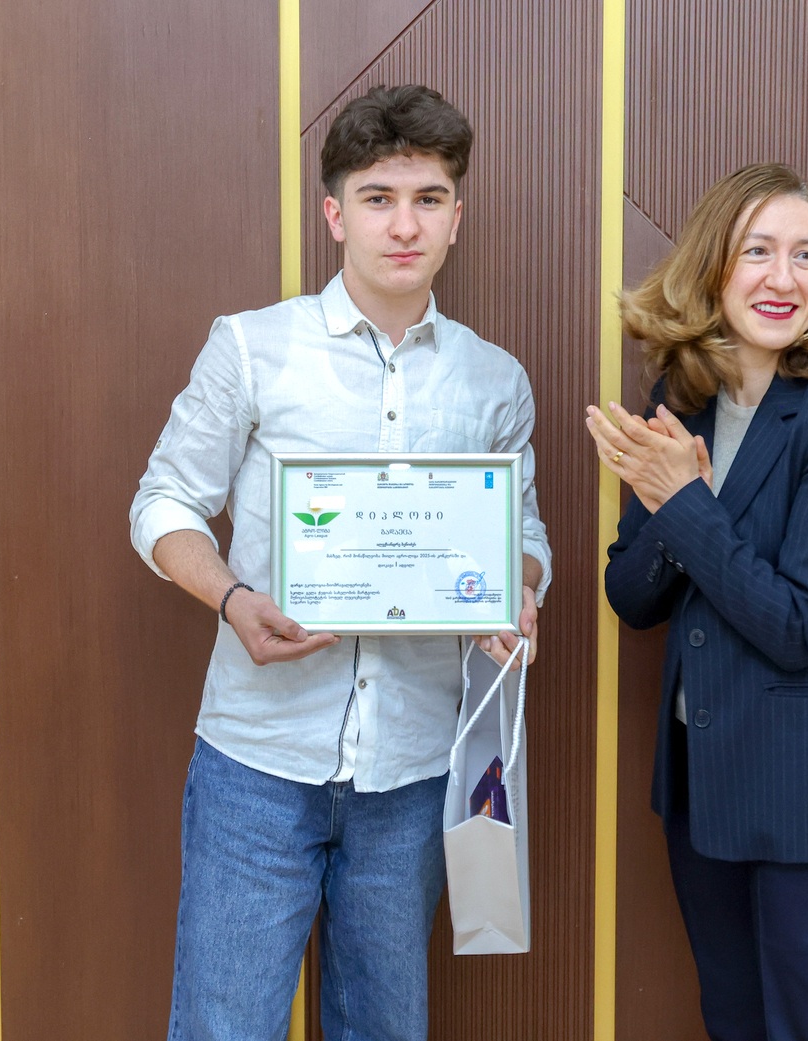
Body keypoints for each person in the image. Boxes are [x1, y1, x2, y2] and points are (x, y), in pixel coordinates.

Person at [130, 84, 550, 1041]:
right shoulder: (252, 348)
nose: (404, 225)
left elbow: (523, 541)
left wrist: (518, 593)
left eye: (429, 198)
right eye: (377, 198)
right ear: (335, 214)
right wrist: (232, 597)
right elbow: (162, 504)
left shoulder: (495, 382)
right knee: (222, 1028)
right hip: (256, 763)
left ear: (456, 216)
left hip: (413, 773)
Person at [587, 163, 808, 1041]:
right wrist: (668, 504)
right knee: (733, 1023)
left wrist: (686, 502)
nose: (784, 277)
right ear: (712, 268)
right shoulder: (681, 403)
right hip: (704, 790)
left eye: (807, 255)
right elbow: (630, 596)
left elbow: (799, 624)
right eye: (758, 250)